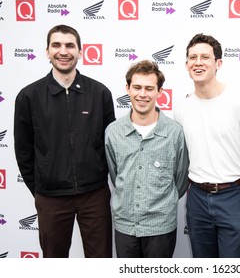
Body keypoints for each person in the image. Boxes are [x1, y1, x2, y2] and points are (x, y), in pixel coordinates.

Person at [14, 24, 115, 258]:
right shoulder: (29, 96)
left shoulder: (99, 93)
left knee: (100, 260)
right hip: (51, 198)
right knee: (54, 261)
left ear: (80, 51)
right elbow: (24, 151)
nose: (63, 51)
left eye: (70, 45)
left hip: (94, 195)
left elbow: (111, 146)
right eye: (56, 45)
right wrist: (41, 190)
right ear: (47, 51)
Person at [174, 33, 240, 258]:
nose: (198, 62)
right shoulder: (182, 108)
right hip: (197, 200)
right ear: (186, 65)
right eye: (193, 57)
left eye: (205, 57)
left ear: (218, 63)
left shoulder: (239, 102)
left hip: (234, 197)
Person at [104, 60, 189, 258]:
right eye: (137, 87)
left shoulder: (175, 133)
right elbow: (115, 175)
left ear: (160, 92)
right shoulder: (113, 132)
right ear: (127, 88)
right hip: (125, 225)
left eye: (149, 88)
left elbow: (181, 180)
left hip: (161, 227)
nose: (142, 94)